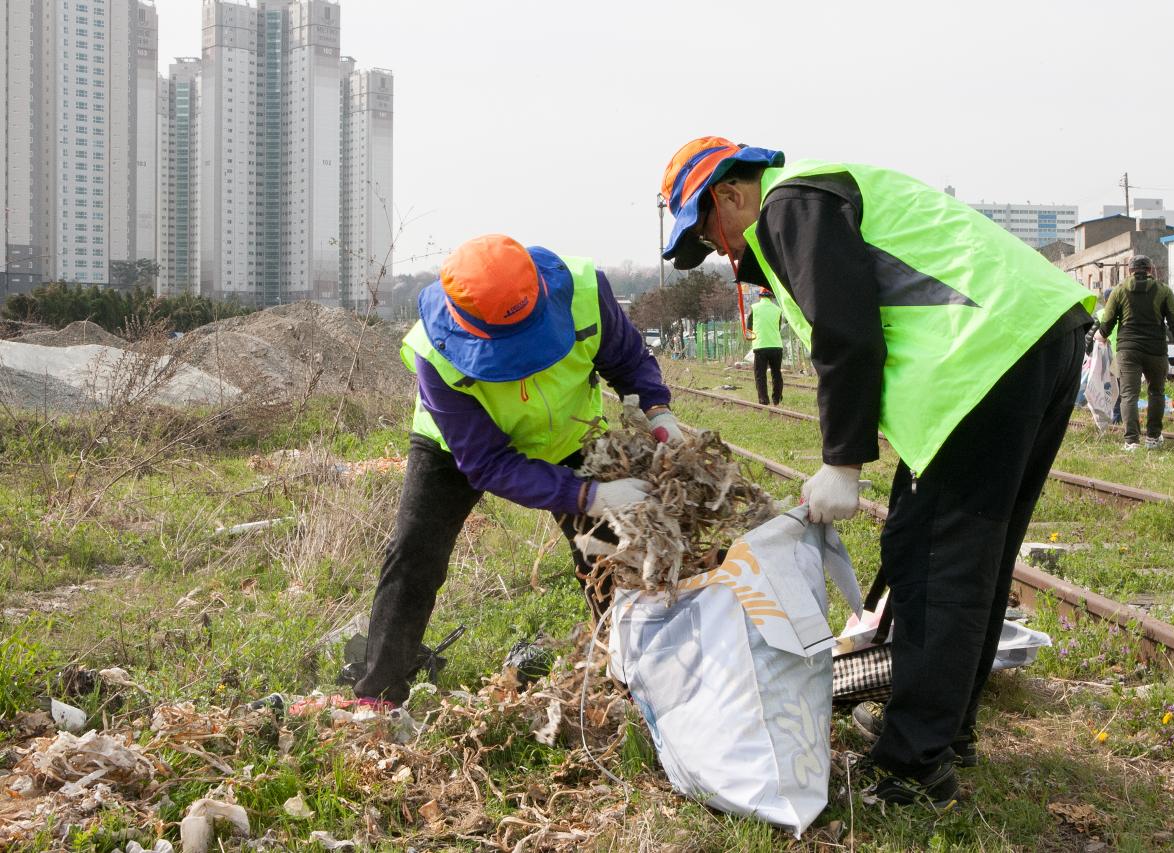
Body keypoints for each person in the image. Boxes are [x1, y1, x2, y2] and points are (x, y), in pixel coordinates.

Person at [658, 137, 1094, 808]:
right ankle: (945, 732)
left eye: (709, 234)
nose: (719, 251)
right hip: (1038, 334)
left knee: (933, 559)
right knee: (977, 550)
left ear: (728, 195)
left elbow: (846, 331)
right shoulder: (819, 189)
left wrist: (842, 462)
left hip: (980, 360)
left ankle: (913, 766)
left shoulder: (786, 206)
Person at [354, 234, 683, 708]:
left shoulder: (585, 290)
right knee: (415, 551)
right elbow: (488, 462)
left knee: (607, 554)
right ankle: (379, 694)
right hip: (458, 447)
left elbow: (627, 359)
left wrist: (658, 412)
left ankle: (630, 675)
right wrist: (587, 495)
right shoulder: (435, 351)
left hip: (571, 433)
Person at [1095, 255, 1174, 451]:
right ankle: (1153, 438)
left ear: (1130, 270)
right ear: (1150, 270)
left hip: (1127, 351)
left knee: (1129, 395)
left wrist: (1101, 335)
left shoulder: (1119, 290)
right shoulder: (1163, 291)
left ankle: (1131, 442)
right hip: (1156, 350)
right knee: (1156, 393)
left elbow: (1109, 320)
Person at [747, 287, 784, 405]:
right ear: (771, 297)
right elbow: (778, 327)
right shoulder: (778, 310)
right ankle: (777, 398)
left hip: (760, 345)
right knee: (776, 373)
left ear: (760, 296)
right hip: (776, 346)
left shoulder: (754, 308)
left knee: (760, 374)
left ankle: (763, 399)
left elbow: (749, 327)